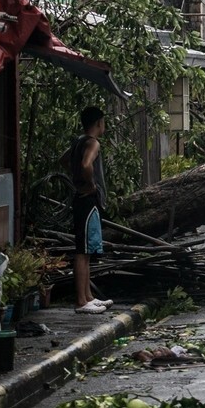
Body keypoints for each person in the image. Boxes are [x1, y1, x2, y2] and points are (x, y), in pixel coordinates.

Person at [68, 106, 114, 314]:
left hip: (80, 198)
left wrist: (75, 177)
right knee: (82, 251)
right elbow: (87, 164)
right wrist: (90, 183)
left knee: (86, 250)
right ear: (98, 123)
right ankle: (81, 301)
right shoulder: (93, 143)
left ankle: (88, 296)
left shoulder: (78, 142)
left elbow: (64, 160)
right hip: (87, 199)